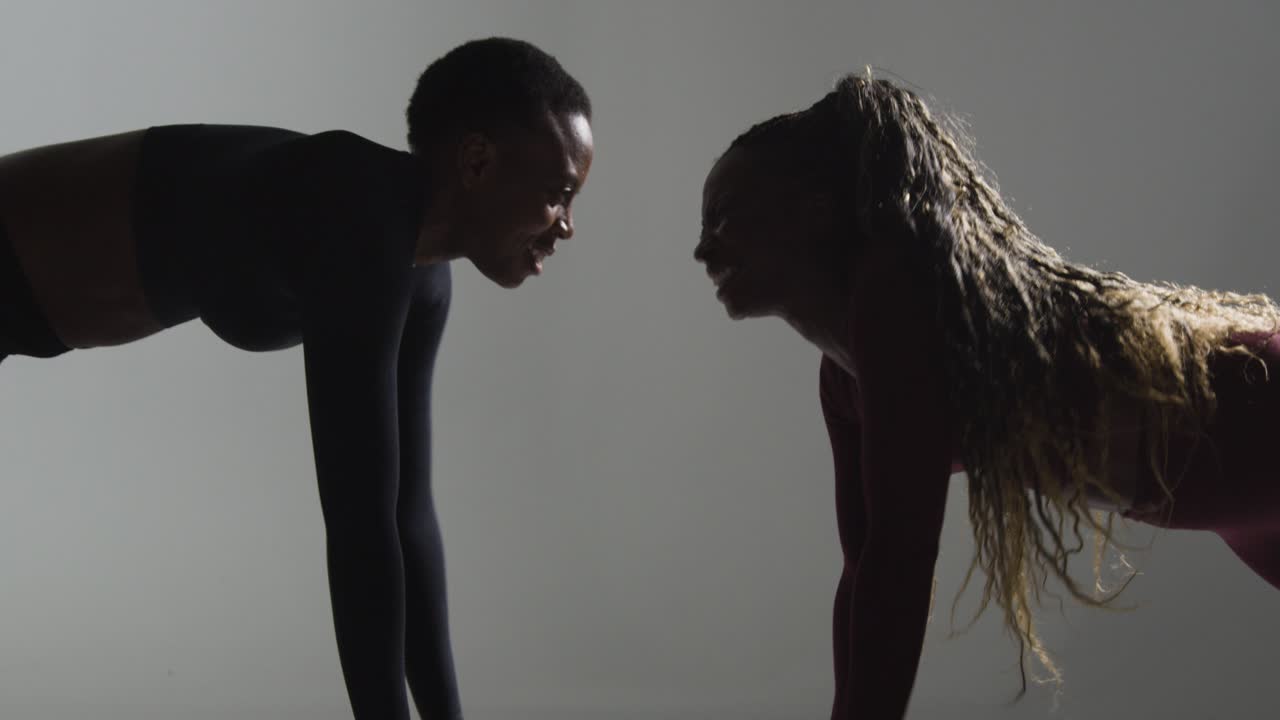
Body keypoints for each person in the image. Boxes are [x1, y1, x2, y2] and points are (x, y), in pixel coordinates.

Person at [0, 36, 594, 720]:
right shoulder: (355, 212)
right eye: (558, 194)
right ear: (477, 160)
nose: (567, 227)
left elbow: (407, 518)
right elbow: (359, 526)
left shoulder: (421, 275)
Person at [694, 72, 1280, 719]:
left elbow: (900, 556)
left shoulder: (898, 297)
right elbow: (862, 569)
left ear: (811, 206)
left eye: (725, 217)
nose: (703, 248)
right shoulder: (842, 381)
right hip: (1229, 493)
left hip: (1252, 420)